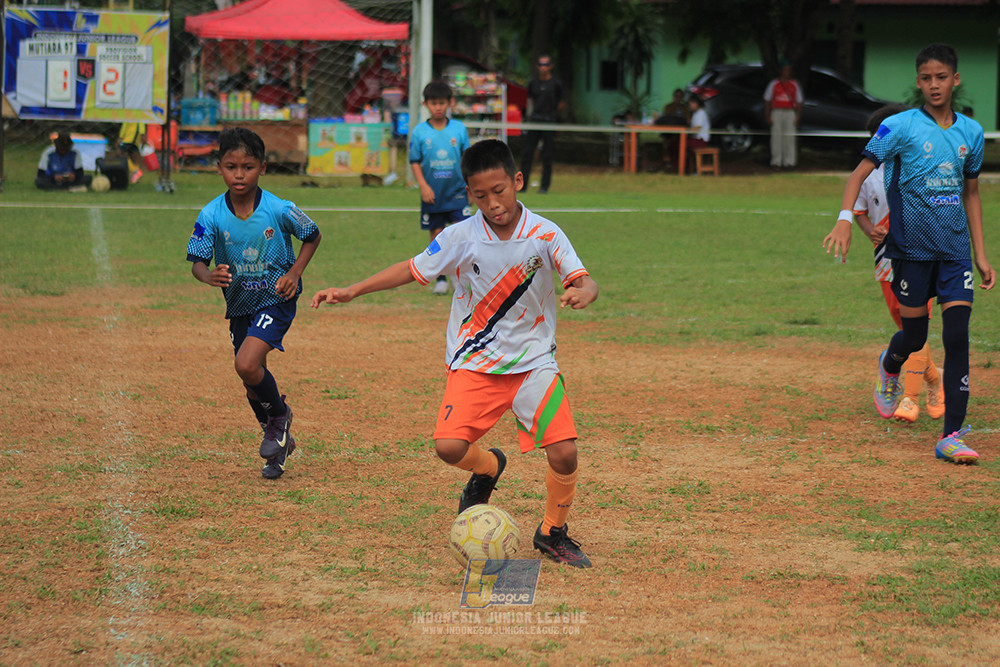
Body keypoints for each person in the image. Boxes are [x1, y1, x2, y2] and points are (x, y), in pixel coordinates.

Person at [312, 139, 599, 567]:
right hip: (474, 362)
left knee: (564, 451)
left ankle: (552, 531)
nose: (493, 202)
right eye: (481, 195)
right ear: (469, 194)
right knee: (448, 446)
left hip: (533, 363)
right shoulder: (460, 237)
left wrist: (583, 291)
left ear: (517, 181)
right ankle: (487, 468)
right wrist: (353, 290)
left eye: (500, 190)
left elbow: (583, 278)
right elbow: (411, 269)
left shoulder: (545, 233)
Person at [823, 43, 995, 464]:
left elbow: (971, 194)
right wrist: (846, 217)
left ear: (955, 80)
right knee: (914, 335)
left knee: (957, 338)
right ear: (918, 82)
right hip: (911, 253)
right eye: (926, 78)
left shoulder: (971, 133)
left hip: (954, 251)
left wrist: (982, 253)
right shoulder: (898, 127)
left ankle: (951, 434)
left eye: (941, 77)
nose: (934, 85)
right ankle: (890, 362)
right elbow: (858, 173)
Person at [186, 127, 321, 479]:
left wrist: (294, 272)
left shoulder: (279, 208)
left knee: (246, 364)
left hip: (276, 299)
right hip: (240, 304)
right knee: (251, 379)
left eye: (247, 166)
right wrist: (208, 276)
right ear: (219, 168)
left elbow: (313, 234)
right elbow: (197, 261)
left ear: (261, 167)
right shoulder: (211, 214)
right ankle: (278, 441)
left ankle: (278, 419)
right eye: (231, 166)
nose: (239, 174)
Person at [851, 103, 946, 424]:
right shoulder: (868, 177)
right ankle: (934, 378)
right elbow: (860, 212)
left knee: (917, 322)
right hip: (886, 261)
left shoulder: (922, 167)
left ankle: (910, 397)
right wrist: (870, 232)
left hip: (921, 257)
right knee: (908, 330)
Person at [409, 80, 471, 295]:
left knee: (463, 234)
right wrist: (423, 186)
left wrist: (470, 186)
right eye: (433, 103)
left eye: (442, 103)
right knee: (437, 234)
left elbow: (467, 159)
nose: (438, 107)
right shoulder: (419, 132)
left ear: (450, 103)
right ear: (426, 104)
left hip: (457, 191)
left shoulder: (459, 129)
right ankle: (441, 278)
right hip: (433, 193)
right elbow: (414, 161)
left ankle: (461, 275)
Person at [519, 54, 564, 193]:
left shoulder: (556, 84)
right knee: (527, 153)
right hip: (535, 121)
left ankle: (544, 187)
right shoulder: (533, 83)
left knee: (548, 155)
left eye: (546, 64)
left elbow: (561, 103)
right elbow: (531, 100)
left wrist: (553, 116)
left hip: (549, 121)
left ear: (551, 66)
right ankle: (523, 185)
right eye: (540, 64)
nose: (543, 67)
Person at [763, 60, 802, 169]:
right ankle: (776, 162)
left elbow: (799, 102)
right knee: (776, 137)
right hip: (777, 111)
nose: (787, 72)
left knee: (789, 137)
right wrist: (768, 115)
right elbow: (767, 100)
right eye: (785, 70)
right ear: (781, 71)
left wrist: (798, 115)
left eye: (789, 70)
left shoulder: (794, 84)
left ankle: (789, 162)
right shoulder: (774, 83)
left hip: (790, 112)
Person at [666, 95, 711, 172]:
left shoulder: (701, 113)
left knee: (678, 145)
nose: (690, 105)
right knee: (674, 144)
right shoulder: (695, 114)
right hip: (695, 139)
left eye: (692, 103)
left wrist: (686, 129)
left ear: (697, 103)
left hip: (700, 141)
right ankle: (678, 165)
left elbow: (696, 129)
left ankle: (680, 167)